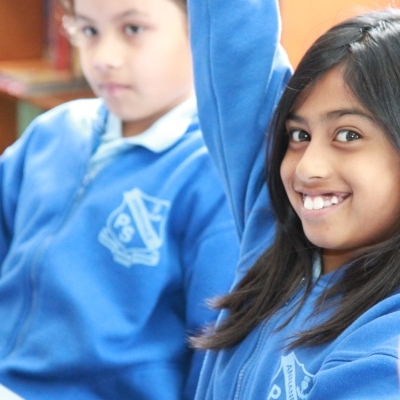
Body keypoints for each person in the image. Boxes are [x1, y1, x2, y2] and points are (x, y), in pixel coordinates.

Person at [0, 0, 239, 398]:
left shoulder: (213, 174)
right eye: (89, 31)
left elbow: (217, 353)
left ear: (199, 29)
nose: (104, 59)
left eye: (132, 29)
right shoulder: (53, 132)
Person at [188, 0, 400, 398]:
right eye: (299, 136)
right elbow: (233, 35)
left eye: (348, 135)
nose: (306, 170)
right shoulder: (274, 225)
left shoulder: (389, 349)